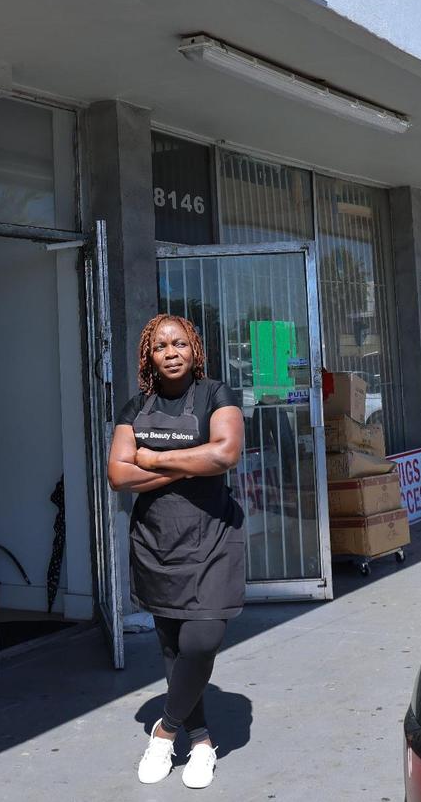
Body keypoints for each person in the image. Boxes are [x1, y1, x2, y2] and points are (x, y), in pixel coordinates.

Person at [108, 314, 245, 789]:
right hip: (155, 542)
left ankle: (164, 731)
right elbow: (119, 476)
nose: (171, 352)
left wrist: (155, 458)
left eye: (180, 344)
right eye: (161, 346)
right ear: (149, 355)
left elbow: (225, 453)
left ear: (194, 350)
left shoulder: (215, 395)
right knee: (174, 648)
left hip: (212, 539)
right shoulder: (134, 407)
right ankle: (202, 742)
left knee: (201, 640)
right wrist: (190, 465)